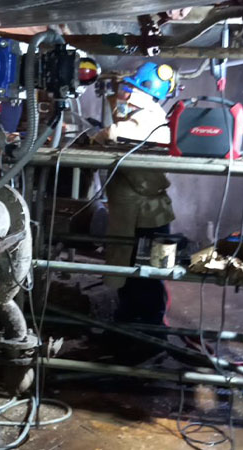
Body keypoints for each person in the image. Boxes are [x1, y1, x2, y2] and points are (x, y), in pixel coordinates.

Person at [98, 62, 176, 326]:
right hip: (141, 213)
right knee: (134, 277)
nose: (122, 95)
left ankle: (145, 331)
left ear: (140, 94)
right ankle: (129, 325)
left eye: (127, 91)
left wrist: (96, 137)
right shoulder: (143, 114)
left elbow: (113, 133)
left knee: (145, 276)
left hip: (145, 215)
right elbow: (119, 116)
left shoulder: (148, 119)